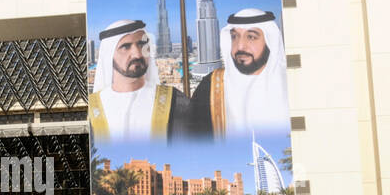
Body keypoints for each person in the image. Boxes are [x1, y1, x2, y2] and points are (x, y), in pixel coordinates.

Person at [189, 9, 289, 138]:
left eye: (251, 37)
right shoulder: (212, 86)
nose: (240, 46)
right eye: (234, 37)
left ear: (270, 41)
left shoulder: (292, 82)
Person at [88, 20, 190, 142]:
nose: (137, 54)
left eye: (142, 44)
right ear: (109, 55)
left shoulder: (175, 100)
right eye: (126, 47)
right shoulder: (93, 108)